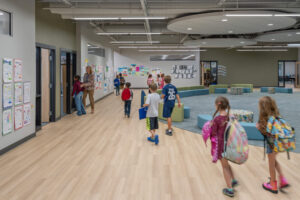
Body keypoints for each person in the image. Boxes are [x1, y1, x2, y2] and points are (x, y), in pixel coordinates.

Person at [256, 96, 289, 194]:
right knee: (274, 161)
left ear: (262, 107)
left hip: (272, 145)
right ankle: (282, 179)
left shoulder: (264, 119)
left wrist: (259, 127)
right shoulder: (276, 115)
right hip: (280, 144)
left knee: (271, 165)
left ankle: (273, 185)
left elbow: (266, 134)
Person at [210, 96, 237, 197]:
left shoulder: (217, 119)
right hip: (230, 145)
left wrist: (211, 126)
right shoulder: (231, 116)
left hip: (222, 147)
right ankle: (233, 180)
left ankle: (230, 189)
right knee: (227, 164)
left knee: (224, 167)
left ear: (217, 105)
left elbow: (213, 134)